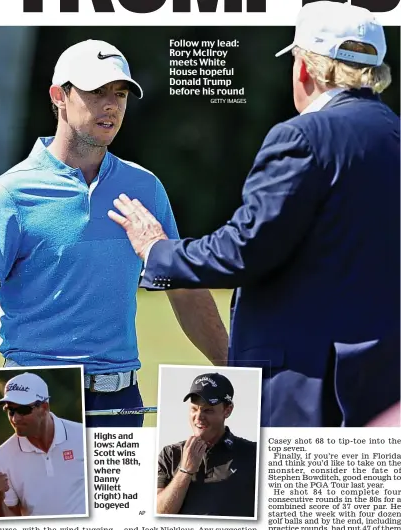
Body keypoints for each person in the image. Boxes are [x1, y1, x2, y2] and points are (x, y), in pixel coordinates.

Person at [109, 2, 400, 427]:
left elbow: (246, 248)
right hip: (383, 384)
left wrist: (158, 251)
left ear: (305, 69)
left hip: (307, 388)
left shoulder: (302, 137)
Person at [0, 39, 228, 427]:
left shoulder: (145, 188)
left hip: (122, 400)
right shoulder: (7, 195)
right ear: (58, 96)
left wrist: (234, 368)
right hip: (39, 396)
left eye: (120, 93)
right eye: (96, 92)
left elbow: (183, 288)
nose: (111, 104)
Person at [0, 372, 86, 518]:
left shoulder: (84, 436)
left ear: (44, 407)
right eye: (10, 411)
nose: (15, 418)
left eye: (23, 410)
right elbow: (10, 521)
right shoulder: (0, 459)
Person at [157, 372, 257, 517]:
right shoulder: (170, 454)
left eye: (207, 410)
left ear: (227, 410)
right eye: (194, 409)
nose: (198, 417)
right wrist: (185, 470)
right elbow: (159, 513)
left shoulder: (253, 454)